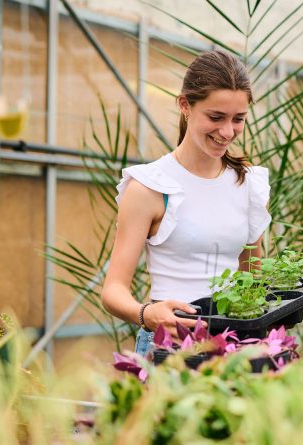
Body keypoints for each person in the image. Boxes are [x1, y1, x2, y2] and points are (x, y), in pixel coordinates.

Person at [102, 50, 271, 356]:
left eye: (238, 119)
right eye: (215, 117)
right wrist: (146, 314)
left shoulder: (248, 184)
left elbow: (251, 280)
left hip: (235, 347)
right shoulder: (150, 186)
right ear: (184, 105)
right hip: (171, 347)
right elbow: (113, 290)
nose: (227, 131)